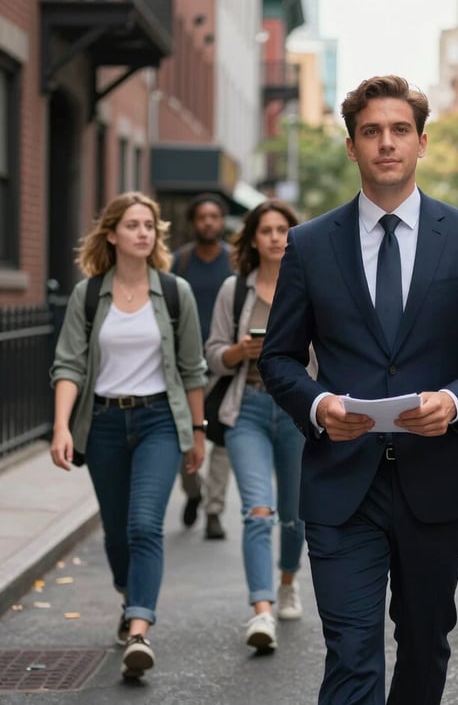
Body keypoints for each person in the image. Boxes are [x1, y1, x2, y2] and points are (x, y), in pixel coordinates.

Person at [258, 75, 458, 704]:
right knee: (351, 654)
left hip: (436, 479)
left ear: (422, 142)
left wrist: (456, 402)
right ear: (352, 146)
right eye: (371, 132)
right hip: (339, 481)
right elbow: (280, 359)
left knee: (426, 642)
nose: (386, 143)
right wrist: (319, 406)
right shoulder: (309, 244)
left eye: (399, 130)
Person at [50, 191, 208, 679]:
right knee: (117, 534)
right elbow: (70, 363)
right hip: (102, 425)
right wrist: (61, 426)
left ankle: (139, 630)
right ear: (112, 234)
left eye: (149, 225)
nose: (144, 232)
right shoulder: (89, 295)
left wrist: (198, 433)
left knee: (144, 525)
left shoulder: (175, 292)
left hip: (160, 420)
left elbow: (192, 369)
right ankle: (129, 593)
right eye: (133, 225)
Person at [205, 200, 308, 652]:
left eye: (282, 229)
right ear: (252, 238)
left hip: (294, 411)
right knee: (257, 511)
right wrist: (237, 353)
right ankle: (261, 609)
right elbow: (212, 353)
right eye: (265, 230)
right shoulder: (235, 290)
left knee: (295, 516)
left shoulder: (308, 286)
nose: (274, 237)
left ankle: (287, 581)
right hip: (245, 407)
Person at [172, 193, 234, 540]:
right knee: (186, 439)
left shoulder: (235, 262)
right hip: (186, 367)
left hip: (224, 365)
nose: (208, 223)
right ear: (194, 223)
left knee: (221, 444)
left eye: (214, 217)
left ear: (221, 222)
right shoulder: (179, 262)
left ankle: (214, 511)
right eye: (202, 217)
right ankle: (193, 491)